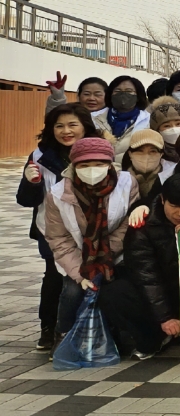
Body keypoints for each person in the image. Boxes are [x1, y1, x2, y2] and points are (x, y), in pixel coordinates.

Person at [17, 103, 99, 349]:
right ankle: (49, 328)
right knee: (55, 275)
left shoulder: (99, 151)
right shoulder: (39, 156)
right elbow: (25, 200)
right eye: (59, 126)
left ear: (85, 127)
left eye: (73, 125)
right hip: (51, 229)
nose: (66, 131)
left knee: (88, 276)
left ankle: (86, 329)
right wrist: (31, 183)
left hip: (91, 227)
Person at [43, 137, 139, 339]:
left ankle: (115, 337)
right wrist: (81, 273)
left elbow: (127, 225)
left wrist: (105, 256)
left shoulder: (127, 183)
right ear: (74, 166)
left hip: (115, 254)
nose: (92, 170)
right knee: (72, 291)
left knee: (117, 289)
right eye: (84, 165)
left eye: (99, 164)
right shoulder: (58, 195)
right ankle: (63, 335)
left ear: (110, 164)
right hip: (77, 257)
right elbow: (59, 239)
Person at [124, 171, 180, 358]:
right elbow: (147, 277)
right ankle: (153, 337)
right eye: (174, 206)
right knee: (116, 292)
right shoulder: (143, 227)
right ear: (162, 200)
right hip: (162, 289)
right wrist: (165, 318)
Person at [101, 75, 151, 162]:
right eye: (117, 91)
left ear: (138, 96)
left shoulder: (149, 120)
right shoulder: (95, 118)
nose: (123, 95)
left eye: (129, 91)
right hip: (101, 167)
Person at [121, 129, 171, 210]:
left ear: (161, 154)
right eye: (140, 151)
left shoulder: (171, 176)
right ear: (130, 154)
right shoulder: (118, 180)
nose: (146, 156)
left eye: (153, 151)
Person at [44, 74, 109, 116]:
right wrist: (57, 98)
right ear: (79, 95)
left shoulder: (112, 117)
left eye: (97, 94)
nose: (91, 98)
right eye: (86, 94)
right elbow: (52, 121)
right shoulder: (70, 113)